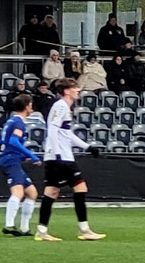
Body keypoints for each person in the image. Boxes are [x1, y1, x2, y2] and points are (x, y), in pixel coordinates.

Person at [33, 78, 104, 241]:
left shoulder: (65, 107)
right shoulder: (60, 106)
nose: (78, 90)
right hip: (62, 157)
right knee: (81, 188)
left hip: (57, 156)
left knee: (51, 192)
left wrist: (87, 147)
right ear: (66, 91)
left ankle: (42, 231)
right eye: (75, 87)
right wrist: (57, 154)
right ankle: (84, 230)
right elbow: (52, 129)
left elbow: (67, 134)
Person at [0, 93, 43, 237]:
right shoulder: (18, 122)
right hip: (11, 160)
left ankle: (24, 228)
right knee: (18, 192)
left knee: (32, 193)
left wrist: (23, 156)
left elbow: (1, 143)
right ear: (27, 106)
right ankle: (9, 225)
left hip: (12, 158)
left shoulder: (11, 121)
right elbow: (13, 142)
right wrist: (31, 155)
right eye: (30, 104)